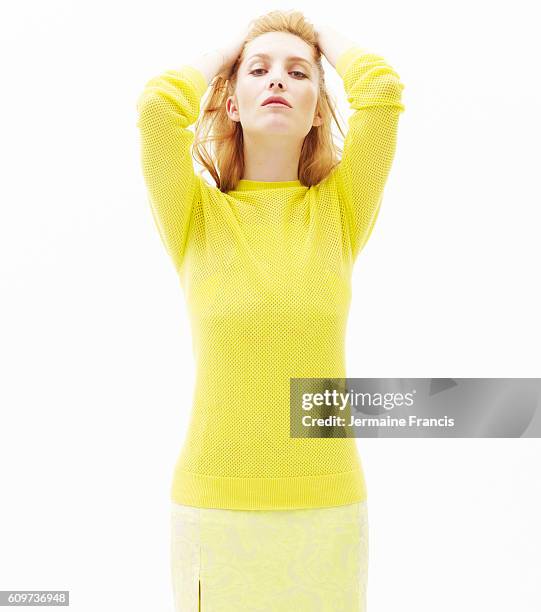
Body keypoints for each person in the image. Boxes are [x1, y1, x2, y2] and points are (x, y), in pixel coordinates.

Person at [136, 9, 405, 611]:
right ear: (231, 103)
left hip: (328, 508)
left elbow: (382, 93)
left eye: (298, 74)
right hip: (214, 508)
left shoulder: (339, 212)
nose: (278, 81)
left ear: (317, 109)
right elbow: (157, 110)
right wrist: (238, 42)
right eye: (259, 72)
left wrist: (309, 31)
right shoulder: (196, 219)